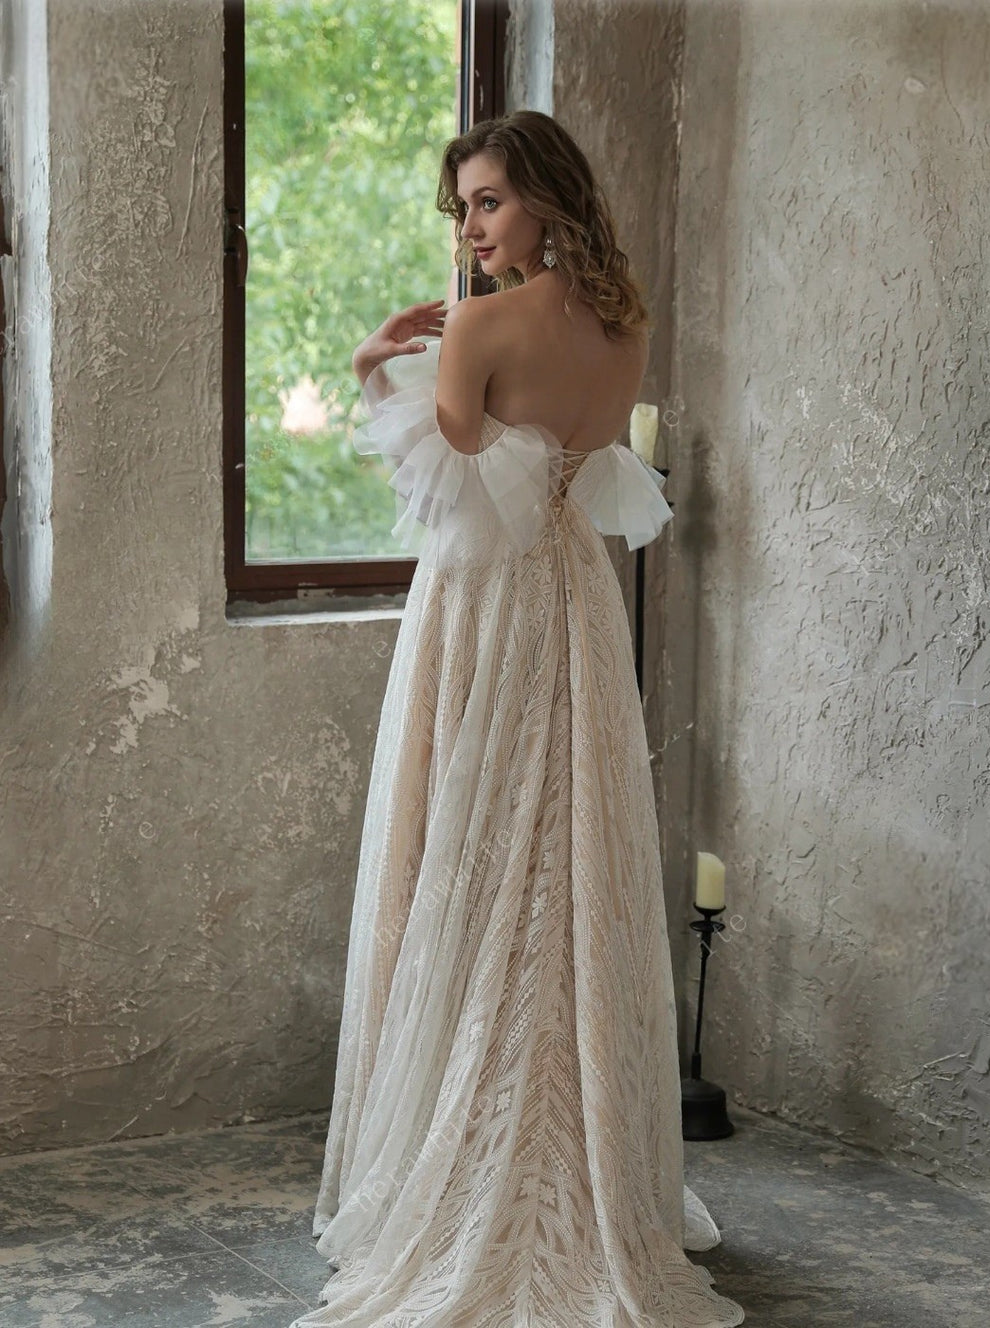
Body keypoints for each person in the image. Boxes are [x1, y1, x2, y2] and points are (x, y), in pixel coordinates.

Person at [288, 109, 744, 1328]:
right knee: (562, 859)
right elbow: (570, 469)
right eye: (464, 209)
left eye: (488, 201)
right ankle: (582, 1142)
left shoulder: (484, 324)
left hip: (483, 609)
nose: (472, 230)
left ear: (544, 197)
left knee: (471, 850)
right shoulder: (629, 320)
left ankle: (466, 1142)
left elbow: (441, 482)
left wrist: (367, 363)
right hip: (576, 603)